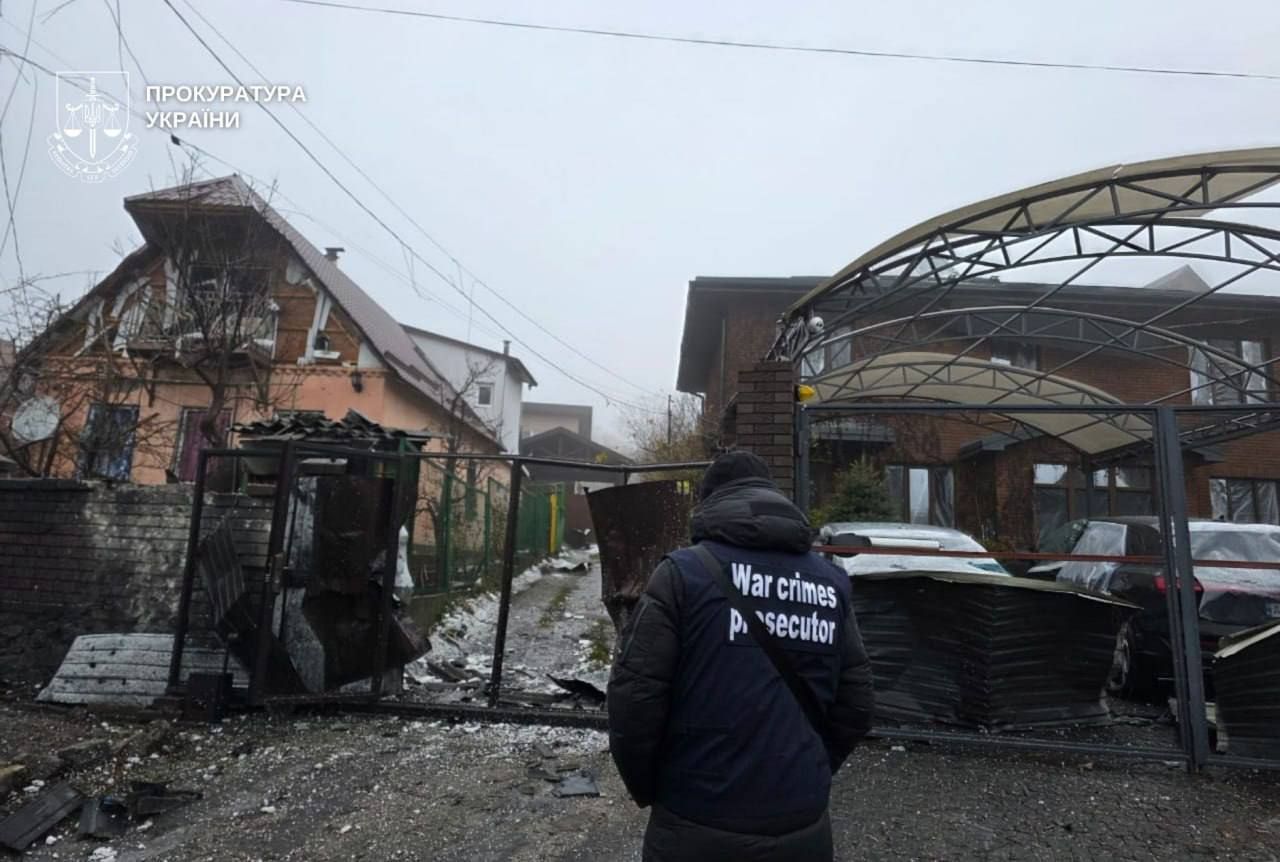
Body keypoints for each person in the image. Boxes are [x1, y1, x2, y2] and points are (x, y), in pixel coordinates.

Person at [608, 449, 874, 862]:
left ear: (708, 502)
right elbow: (856, 704)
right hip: (802, 826)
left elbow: (634, 699)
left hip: (695, 823)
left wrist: (654, 788)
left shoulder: (682, 575)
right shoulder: (831, 582)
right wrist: (810, 769)